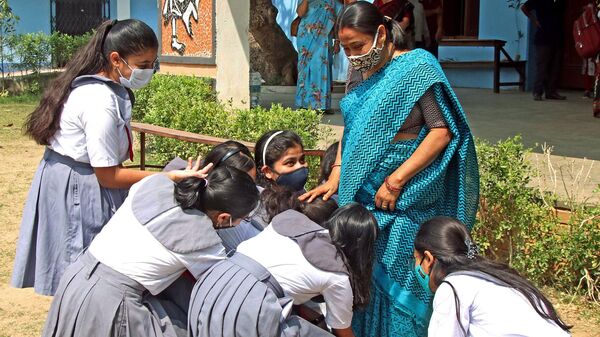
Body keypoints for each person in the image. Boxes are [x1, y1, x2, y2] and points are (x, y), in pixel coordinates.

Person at [301, 2, 479, 336]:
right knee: (364, 278)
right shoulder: (358, 74)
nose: (352, 55)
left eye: (358, 46)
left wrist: (396, 181)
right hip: (365, 200)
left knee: (399, 279)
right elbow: (351, 128)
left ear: (381, 34)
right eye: (345, 48)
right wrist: (338, 171)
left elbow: (441, 131)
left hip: (404, 201)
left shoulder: (416, 68)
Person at [11, 19, 207, 296]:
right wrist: (168, 177)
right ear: (116, 59)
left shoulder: (106, 89)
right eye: (142, 64)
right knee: (85, 266)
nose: (149, 71)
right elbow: (108, 175)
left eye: (153, 63)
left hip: (78, 176)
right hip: (82, 184)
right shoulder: (98, 100)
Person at [41, 166, 260, 337]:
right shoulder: (204, 242)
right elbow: (226, 288)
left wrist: (176, 176)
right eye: (243, 219)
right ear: (224, 217)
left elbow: (166, 179)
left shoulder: (153, 185)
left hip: (77, 277)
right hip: (112, 301)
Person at [235, 196, 378, 337]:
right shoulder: (338, 276)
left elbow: (283, 277)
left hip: (228, 273)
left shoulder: (290, 218)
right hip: (248, 309)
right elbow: (341, 331)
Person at [414, 217, 572, 337]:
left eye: (416, 260)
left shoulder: (453, 286)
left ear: (428, 259)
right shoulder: (498, 276)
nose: (416, 267)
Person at [295, 0, 343, 113]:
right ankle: (304, 104)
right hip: (306, 38)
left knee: (322, 71)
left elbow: (338, 22)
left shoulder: (333, 1)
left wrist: (337, 42)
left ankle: (322, 105)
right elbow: (300, 13)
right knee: (305, 70)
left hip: (324, 41)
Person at [521, 0, 567, 101]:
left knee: (555, 66)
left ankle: (551, 92)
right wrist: (534, 20)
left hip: (558, 36)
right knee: (542, 66)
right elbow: (524, 8)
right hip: (544, 36)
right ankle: (537, 91)